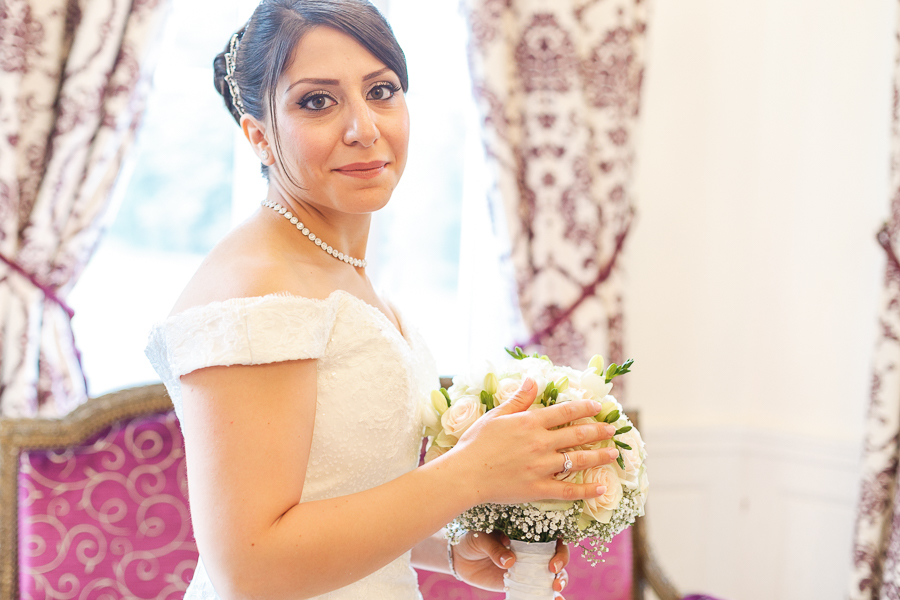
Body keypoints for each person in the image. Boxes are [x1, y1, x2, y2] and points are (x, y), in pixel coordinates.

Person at [144, 1, 620, 598]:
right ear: (259, 136)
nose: (364, 128)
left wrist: (447, 549)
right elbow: (253, 567)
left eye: (381, 90)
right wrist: (467, 473)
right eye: (317, 101)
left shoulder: (335, 267)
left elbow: (331, 494)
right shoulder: (257, 290)